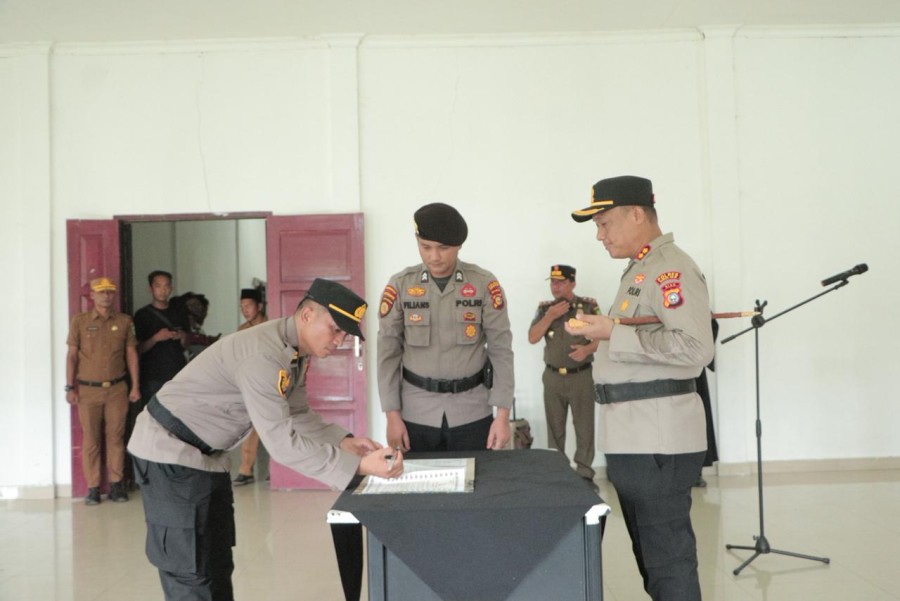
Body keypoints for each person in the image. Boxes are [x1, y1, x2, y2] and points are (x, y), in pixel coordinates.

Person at [128, 278, 402, 601]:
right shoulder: (264, 356)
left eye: (345, 334)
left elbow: (297, 414)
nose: (340, 340)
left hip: (207, 458)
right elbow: (281, 443)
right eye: (335, 329)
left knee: (216, 565)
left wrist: (345, 443)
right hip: (169, 452)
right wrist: (357, 467)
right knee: (191, 573)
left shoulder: (295, 353)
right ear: (306, 316)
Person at [566, 175, 714, 601]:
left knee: (667, 561)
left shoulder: (670, 269)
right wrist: (604, 336)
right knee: (653, 561)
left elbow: (695, 348)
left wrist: (614, 332)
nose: (600, 235)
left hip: (658, 439)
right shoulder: (641, 268)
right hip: (637, 435)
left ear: (636, 214)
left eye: (604, 223)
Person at [377, 202, 514, 452]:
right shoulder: (401, 285)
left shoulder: (483, 284)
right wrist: (391, 416)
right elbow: (388, 354)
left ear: (459, 245)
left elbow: (501, 350)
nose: (434, 256)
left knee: (477, 477)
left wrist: (503, 415)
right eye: (425, 247)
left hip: (472, 412)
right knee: (417, 478)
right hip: (415, 413)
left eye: (443, 248)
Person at [65, 277, 141, 505]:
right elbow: (72, 356)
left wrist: (135, 385)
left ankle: (117, 485)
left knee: (116, 438)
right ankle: (93, 488)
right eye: (101, 292)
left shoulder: (125, 322)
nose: (106, 296)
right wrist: (70, 387)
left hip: (117, 389)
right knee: (91, 440)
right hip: (88, 390)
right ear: (92, 295)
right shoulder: (80, 321)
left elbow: (131, 354)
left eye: (109, 292)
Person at [527, 264, 600, 487]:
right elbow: (532, 337)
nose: (555, 286)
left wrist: (587, 350)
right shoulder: (545, 309)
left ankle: (585, 473)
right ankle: (559, 472)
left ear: (572, 283)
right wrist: (550, 317)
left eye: (560, 282)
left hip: (581, 376)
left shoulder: (588, 306)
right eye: (552, 282)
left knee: (584, 426)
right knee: (555, 427)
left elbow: (603, 337)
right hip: (553, 377)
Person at [124, 270, 190, 487]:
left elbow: (187, 344)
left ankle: (176, 468)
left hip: (177, 376)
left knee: (178, 424)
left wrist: (182, 337)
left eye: (167, 285)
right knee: (153, 424)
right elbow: (136, 349)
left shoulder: (179, 313)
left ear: (171, 287)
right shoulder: (142, 316)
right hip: (152, 377)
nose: (163, 290)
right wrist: (156, 338)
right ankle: (151, 471)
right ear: (150, 288)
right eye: (158, 286)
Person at [233, 287, 268, 486]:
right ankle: (246, 470)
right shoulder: (242, 330)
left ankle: (277, 471)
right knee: (249, 426)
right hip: (250, 383)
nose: (245, 310)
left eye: (248, 305)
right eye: (242, 306)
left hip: (271, 381)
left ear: (259, 306)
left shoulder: (270, 325)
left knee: (275, 425)